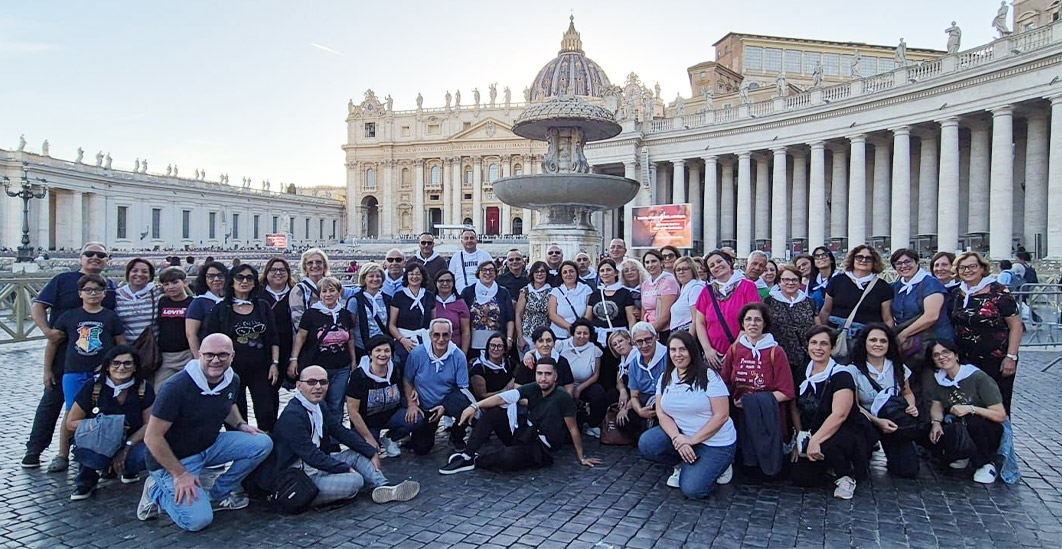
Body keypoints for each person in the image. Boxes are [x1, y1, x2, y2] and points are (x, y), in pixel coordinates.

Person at [137, 333, 273, 531]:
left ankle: (218, 493)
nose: (215, 360)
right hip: (175, 459)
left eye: (222, 355)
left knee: (262, 443)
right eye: (209, 355)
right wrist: (180, 474)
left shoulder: (231, 379)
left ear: (232, 356)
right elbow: (152, 437)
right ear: (199, 355)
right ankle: (155, 490)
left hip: (209, 445)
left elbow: (227, 403)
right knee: (197, 521)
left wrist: (241, 424)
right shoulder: (176, 387)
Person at [23, 242, 117, 470]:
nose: (94, 257)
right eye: (89, 254)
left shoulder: (112, 286)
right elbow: (38, 307)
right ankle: (35, 449)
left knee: (92, 403)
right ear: (81, 257)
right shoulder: (62, 280)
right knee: (53, 400)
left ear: (107, 259)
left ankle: (82, 449)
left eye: (100, 255)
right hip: (63, 350)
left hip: (95, 357)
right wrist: (47, 331)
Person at [274, 365, 420, 506]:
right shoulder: (293, 416)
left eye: (323, 382)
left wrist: (370, 452)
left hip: (316, 464)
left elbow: (340, 431)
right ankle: (319, 494)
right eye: (312, 382)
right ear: (299, 386)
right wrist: (344, 468)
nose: (318, 387)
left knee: (356, 455)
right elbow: (312, 457)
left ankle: (384, 486)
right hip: (302, 475)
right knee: (355, 480)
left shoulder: (318, 406)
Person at [439, 358, 603, 474]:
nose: (543, 378)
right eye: (540, 373)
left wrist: (581, 457)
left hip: (541, 448)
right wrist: (474, 406)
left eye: (547, 374)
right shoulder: (533, 388)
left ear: (555, 377)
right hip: (525, 434)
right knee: (494, 414)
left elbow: (573, 429)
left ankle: (477, 461)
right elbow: (503, 398)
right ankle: (467, 455)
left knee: (507, 458)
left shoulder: (563, 397)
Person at [638, 331, 737, 498]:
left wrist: (691, 441)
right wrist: (678, 440)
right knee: (648, 443)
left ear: (692, 350)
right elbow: (662, 413)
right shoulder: (665, 377)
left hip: (715, 442)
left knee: (693, 490)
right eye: (673, 350)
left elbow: (722, 415)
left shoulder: (709, 376)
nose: (677, 355)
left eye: (682, 349)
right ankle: (683, 462)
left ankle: (722, 465)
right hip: (684, 436)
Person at [47, 273, 127, 473]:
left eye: (98, 290)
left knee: (105, 412)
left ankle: (104, 453)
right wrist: (47, 370)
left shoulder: (110, 317)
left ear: (104, 294)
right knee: (70, 412)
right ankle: (62, 454)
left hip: (101, 373)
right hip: (74, 371)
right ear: (80, 293)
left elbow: (121, 345)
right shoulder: (69, 316)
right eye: (88, 290)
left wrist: (114, 366)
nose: (93, 294)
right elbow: (53, 345)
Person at [789, 326, 869, 500]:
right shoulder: (802, 372)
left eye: (824, 344)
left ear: (832, 348)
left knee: (828, 444)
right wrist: (800, 437)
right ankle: (827, 465)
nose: (818, 348)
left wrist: (815, 440)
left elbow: (839, 415)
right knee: (801, 478)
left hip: (843, 431)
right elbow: (794, 406)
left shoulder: (842, 375)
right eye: (814, 343)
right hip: (812, 430)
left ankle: (846, 475)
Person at [67, 346, 154, 500]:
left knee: (150, 452)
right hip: (99, 440)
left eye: (128, 363)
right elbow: (71, 422)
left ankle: (128, 469)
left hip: (131, 441)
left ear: (135, 367)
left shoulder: (144, 388)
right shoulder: (92, 387)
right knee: (91, 445)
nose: (121, 367)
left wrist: (126, 447)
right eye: (116, 363)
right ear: (107, 366)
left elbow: (149, 424)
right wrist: (104, 429)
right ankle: (86, 481)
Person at [720, 304, 794, 478]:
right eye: (748, 319)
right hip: (739, 415)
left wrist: (751, 403)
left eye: (757, 319)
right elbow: (723, 381)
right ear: (742, 324)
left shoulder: (776, 352)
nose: (753, 324)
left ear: (765, 324)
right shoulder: (735, 349)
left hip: (766, 417)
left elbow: (786, 391)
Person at [204, 265, 280, 432]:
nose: (244, 281)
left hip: (261, 368)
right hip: (231, 370)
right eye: (240, 277)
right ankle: (242, 446)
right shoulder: (221, 309)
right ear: (232, 281)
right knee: (236, 413)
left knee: (266, 411)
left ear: (254, 283)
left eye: (249, 278)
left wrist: (275, 363)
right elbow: (210, 339)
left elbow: (274, 337)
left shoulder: (263, 306)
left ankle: (269, 448)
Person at [925, 340, 1008, 484]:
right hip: (960, 425)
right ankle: (963, 454)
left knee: (973, 421)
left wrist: (971, 409)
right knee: (931, 427)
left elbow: (1000, 415)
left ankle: (986, 463)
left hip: (988, 426)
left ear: (956, 355)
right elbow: (936, 405)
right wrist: (936, 423)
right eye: (936, 355)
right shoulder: (941, 380)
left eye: (946, 352)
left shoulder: (978, 377)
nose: (941, 357)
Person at [950, 251, 1023, 413]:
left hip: (996, 360)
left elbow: (1016, 326)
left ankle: (1003, 438)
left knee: (998, 405)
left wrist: (1011, 357)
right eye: (962, 267)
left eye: (972, 266)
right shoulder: (957, 294)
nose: (967, 270)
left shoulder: (998, 292)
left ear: (982, 268)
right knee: (971, 404)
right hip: (966, 360)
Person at [849, 325, 919, 479]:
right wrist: (878, 421)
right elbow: (855, 405)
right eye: (873, 340)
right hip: (867, 421)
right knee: (860, 470)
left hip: (894, 422)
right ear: (865, 343)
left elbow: (907, 392)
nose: (878, 344)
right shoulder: (853, 371)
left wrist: (911, 406)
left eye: (883, 341)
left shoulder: (898, 367)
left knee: (908, 470)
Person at [403, 319, 475, 454]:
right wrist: (411, 404)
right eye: (436, 335)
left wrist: (445, 407)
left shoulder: (458, 356)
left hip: (448, 400)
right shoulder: (417, 354)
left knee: (468, 407)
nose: (441, 339)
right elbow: (407, 380)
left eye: (445, 335)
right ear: (430, 335)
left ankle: (456, 436)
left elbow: (463, 388)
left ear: (451, 335)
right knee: (421, 448)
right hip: (425, 404)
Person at [290, 276, 357, 422]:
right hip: (317, 365)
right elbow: (300, 337)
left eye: (332, 291)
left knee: (337, 404)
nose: (328, 294)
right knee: (318, 402)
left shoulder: (345, 314)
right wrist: (294, 359)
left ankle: (334, 439)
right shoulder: (311, 314)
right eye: (324, 291)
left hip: (341, 366)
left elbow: (350, 338)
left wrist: (353, 361)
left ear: (339, 293)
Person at [346, 336, 418, 458]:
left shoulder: (396, 368)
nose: (382, 354)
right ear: (370, 354)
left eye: (386, 350)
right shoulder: (358, 376)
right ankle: (370, 437)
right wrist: (368, 438)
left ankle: (390, 438)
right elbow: (352, 411)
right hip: (367, 422)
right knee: (366, 449)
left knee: (417, 418)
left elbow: (407, 381)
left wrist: (412, 399)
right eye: (378, 351)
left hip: (391, 415)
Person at [890, 249, 954, 373]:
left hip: (934, 341)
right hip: (911, 346)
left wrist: (903, 335)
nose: (904, 266)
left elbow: (931, 316)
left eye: (908, 262)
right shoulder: (895, 287)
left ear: (917, 262)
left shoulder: (931, 283)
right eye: (899, 263)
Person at [694, 249, 761, 367]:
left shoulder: (747, 286)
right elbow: (700, 322)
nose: (717, 266)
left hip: (743, 352)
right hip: (714, 357)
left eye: (719, 261)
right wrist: (707, 349)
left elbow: (753, 319)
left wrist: (733, 349)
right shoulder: (707, 291)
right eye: (712, 265)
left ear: (729, 262)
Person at [585, 259, 637, 398]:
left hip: (617, 339)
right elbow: (588, 317)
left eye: (608, 270)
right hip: (599, 338)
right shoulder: (596, 294)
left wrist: (632, 338)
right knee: (600, 370)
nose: (605, 273)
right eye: (602, 270)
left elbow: (631, 318)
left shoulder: (624, 293)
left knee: (616, 369)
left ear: (615, 272)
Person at [818, 245, 895, 339]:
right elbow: (826, 310)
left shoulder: (883, 287)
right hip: (837, 336)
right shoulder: (837, 281)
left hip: (866, 338)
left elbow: (887, 319)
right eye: (859, 257)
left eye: (868, 258)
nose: (863, 260)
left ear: (874, 262)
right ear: (852, 259)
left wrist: (888, 339)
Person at [765, 266, 817, 384]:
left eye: (794, 280)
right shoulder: (769, 301)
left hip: (805, 355)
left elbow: (817, 328)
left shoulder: (809, 302)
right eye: (786, 280)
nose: (790, 283)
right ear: (779, 282)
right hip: (779, 354)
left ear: (799, 282)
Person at [557, 319, 607, 436]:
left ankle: (593, 424)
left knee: (598, 393)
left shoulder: (595, 350)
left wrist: (579, 389)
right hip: (563, 385)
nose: (582, 336)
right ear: (573, 333)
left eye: (585, 333)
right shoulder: (561, 345)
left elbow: (596, 375)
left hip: (584, 385)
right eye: (579, 333)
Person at [461, 260, 515, 354]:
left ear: (495, 273)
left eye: (491, 270)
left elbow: (510, 318)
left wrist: (509, 339)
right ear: (478, 273)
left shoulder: (503, 292)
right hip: (473, 343)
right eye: (484, 270)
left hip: (497, 343)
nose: (488, 273)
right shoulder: (468, 292)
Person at [625, 322, 668, 434]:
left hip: (665, 400)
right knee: (626, 420)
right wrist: (639, 411)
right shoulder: (634, 363)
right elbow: (634, 395)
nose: (644, 345)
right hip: (645, 401)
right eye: (639, 342)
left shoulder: (668, 356)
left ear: (656, 337)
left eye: (648, 339)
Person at [260, 257, 296, 389]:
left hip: (289, 347)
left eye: (282, 270)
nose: (278, 273)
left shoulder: (296, 292)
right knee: (269, 391)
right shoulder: (258, 294)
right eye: (273, 270)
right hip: (265, 348)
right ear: (266, 273)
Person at [389, 263, 436, 365]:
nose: (414, 277)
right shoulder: (399, 296)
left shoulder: (429, 296)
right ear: (407, 276)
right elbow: (391, 325)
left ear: (423, 276)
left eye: (418, 274)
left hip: (425, 340)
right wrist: (402, 340)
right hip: (403, 340)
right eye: (411, 274)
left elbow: (433, 322)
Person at [156, 267, 193, 388]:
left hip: (187, 353)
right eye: (166, 284)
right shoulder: (161, 302)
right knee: (161, 390)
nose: (171, 287)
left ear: (185, 282)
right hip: (166, 356)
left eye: (175, 282)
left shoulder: (193, 303)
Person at [185, 261, 228, 358]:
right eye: (211, 276)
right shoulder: (199, 302)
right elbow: (191, 334)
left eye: (220, 275)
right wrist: (198, 358)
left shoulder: (231, 300)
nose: (216, 279)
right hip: (207, 354)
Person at [349, 263, 391, 361]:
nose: (375, 279)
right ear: (364, 278)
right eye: (371, 276)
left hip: (383, 349)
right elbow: (350, 328)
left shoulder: (388, 299)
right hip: (362, 349)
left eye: (378, 276)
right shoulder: (354, 301)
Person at [516, 326, 576, 391]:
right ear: (535, 344)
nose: (545, 344)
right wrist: (525, 401)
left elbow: (569, 386)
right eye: (540, 341)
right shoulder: (528, 362)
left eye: (549, 341)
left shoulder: (562, 362)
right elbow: (518, 386)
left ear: (554, 343)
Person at [115, 258, 160, 343]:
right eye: (134, 271)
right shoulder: (116, 295)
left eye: (144, 272)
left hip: (151, 348)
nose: (139, 274)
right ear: (128, 274)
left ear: (150, 276)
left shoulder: (157, 292)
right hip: (127, 349)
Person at [548, 261, 592, 339]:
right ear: (561, 275)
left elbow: (589, 314)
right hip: (559, 335)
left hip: (581, 336)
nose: (568, 274)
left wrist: (577, 329)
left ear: (577, 273)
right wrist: (570, 327)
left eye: (571, 271)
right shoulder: (556, 291)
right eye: (565, 272)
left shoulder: (586, 289)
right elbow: (552, 314)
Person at [641, 250, 679, 341]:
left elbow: (666, 315)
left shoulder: (669, 281)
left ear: (661, 263)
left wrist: (649, 333)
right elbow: (644, 310)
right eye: (647, 262)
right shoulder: (645, 284)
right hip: (648, 330)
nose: (650, 265)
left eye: (653, 261)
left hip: (664, 332)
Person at [515, 261, 553, 351]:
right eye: (536, 271)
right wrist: (520, 338)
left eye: (542, 271)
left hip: (545, 336)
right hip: (526, 336)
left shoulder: (553, 292)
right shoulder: (525, 291)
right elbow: (518, 315)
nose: (540, 274)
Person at [432, 270, 471, 356]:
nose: (445, 283)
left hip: (455, 350)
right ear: (435, 283)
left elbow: (466, 332)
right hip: (433, 350)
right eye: (441, 281)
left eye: (448, 281)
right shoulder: (430, 302)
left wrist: (463, 354)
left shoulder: (460, 303)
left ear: (453, 283)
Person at [289, 248, 329, 331]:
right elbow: (297, 321)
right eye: (310, 263)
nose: (314, 266)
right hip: (310, 339)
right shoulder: (299, 290)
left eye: (318, 262)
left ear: (324, 266)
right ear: (305, 267)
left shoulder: (332, 286)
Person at [469, 332, 515, 400]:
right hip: (487, 404)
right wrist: (504, 391)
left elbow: (520, 376)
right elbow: (482, 396)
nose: (495, 349)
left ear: (505, 349)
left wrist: (514, 380)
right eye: (492, 345)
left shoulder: (509, 363)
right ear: (488, 348)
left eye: (499, 346)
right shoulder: (478, 369)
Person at [448, 229, 492, 294]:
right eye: (466, 238)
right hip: (460, 295)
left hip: (482, 294)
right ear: (462, 241)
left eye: (472, 238)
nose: (469, 240)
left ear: (476, 240)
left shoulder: (485, 256)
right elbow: (450, 277)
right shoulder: (456, 257)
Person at [670, 256, 706, 334]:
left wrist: (689, 340)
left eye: (685, 269)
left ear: (692, 270)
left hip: (686, 333)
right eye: (678, 270)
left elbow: (696, 320)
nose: (681, 272)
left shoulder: (695, 288)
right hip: (678, 333)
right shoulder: (684, 288)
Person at [808, 246, 839, 312]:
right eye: (817, 257)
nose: (821, 258)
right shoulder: (813, 282)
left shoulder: (839, 278)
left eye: (824, 255)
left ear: (831, 260)